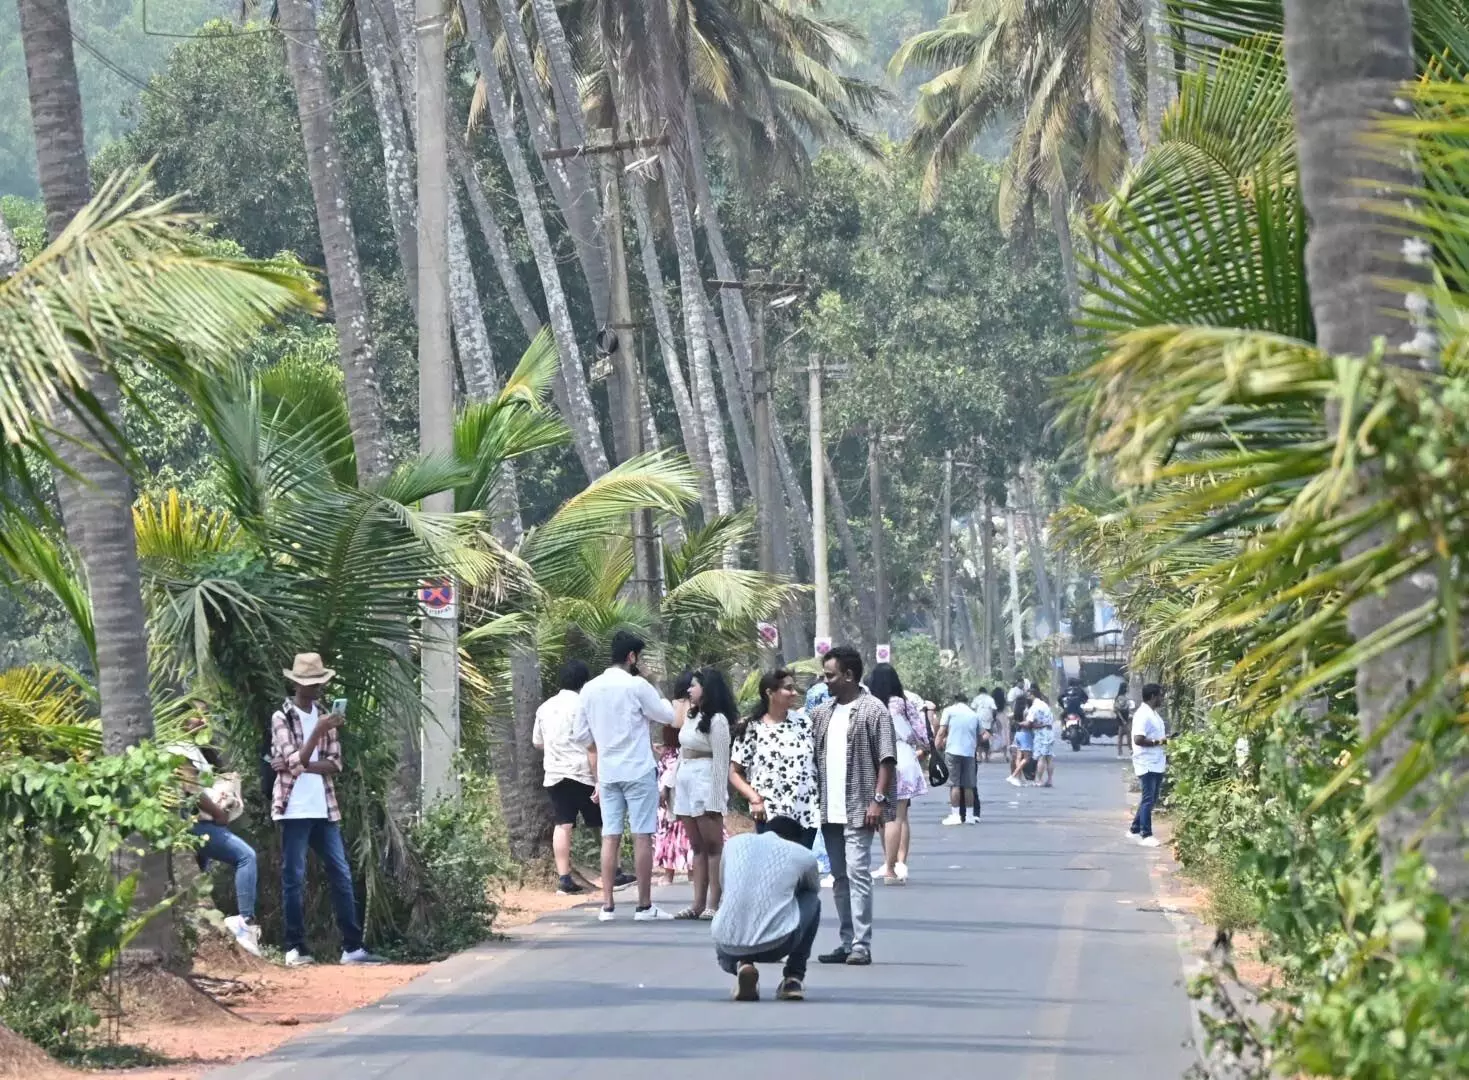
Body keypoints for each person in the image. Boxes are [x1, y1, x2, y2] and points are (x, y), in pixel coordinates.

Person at [270, 653, 382, 966]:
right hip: (293, 809)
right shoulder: (283, 716)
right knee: (294, 877)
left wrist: (300, 762)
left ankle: (352, 947)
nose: (316, 688)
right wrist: (315, 736)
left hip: (324, 807)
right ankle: (295, 948)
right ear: (295, 684)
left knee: (341, 874)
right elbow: (294, 762)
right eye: (310, 683)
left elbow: (333, 763)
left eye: (319, 682)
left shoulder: (325, 717)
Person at [573, 630, 677, 922]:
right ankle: (644, 906)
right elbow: (667, 715)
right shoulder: (637, 685)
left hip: (608, 772)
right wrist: (653, 682)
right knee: (642, 834)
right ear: (632, 657)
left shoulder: (590, 689)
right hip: (638, 769)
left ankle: (607, 906)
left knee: (610, 834)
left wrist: (603, 744)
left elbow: (580, 734)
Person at [812, 645, 896, 966]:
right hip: (828, 809)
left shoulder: (874, 711)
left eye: (830, 675)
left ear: (849, 675)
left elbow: (886, 759)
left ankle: (862, 943)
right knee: (839, 877)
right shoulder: (822, 713)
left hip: (860, 807)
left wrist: (877, 799)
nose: (825, 681)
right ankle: (846, 941)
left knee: (858, 872)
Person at [170, 707, 260, 957]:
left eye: (204, 715)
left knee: (201, 875)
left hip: (203, 823)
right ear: (181, 721)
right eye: (195, 715)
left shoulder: (196, 750)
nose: (201, 720)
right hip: (196, 823)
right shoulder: (178, 750)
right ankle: (245, 921)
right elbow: (191, 789)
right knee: (246, 857)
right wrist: (220, 813)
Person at [712, 815, 822, 1002]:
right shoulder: (803, 855)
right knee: (812, 900)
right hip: (777, 945)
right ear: (797, 840)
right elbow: (812, 889)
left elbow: (724, 885)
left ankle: (742, 965)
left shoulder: (733, 843)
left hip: (726, 946)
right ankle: (793, 978)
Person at [672, 667, 736, 920]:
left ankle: (714, 903)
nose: (689, 690)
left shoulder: (718, 720)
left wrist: (717, 798)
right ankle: (697, 903)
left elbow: (721, 761)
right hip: (686, 780)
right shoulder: (691, 715)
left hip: (705, 780)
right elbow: (681, 751)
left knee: (712, 846)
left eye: (695, 685)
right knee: (696, 846)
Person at [730, 669, 819, 848]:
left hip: (805, 812)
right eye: (788, 688)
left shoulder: (804, 723)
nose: (794, 693)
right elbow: (734, 773)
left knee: (800, 868)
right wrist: (754, 799)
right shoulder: (752, 728)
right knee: (774, 869)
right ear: (770, 693)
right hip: (770, 813)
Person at [533, 660, 600, 896]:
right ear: (584, 682)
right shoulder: (585, 705)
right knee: (601, 824)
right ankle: (614, 870)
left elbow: (537, 742)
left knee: (563, 824)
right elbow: (595, 740)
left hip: (555, 774)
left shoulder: (544, 708)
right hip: (584, 773)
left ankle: (564, 878)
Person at [868, 663, 927, 885]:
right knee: (900, 815)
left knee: (883, 814)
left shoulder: (869, 705)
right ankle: (898, 863)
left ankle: (888, 862)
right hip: (902, 756)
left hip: (875, 759)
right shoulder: (903, 704)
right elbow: (922, 735)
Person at [655, 705, 692, 885]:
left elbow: (669, 774)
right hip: (685, 801)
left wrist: (663, 791)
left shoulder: (670, 754)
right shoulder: (685, 751)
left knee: (669, 838)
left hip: (669, 803)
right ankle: (692, 873)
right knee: (689, 836)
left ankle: (669, 875)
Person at [1129, 684, 1168, 848]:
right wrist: (1158, 742)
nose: (1162, 699)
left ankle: (1135, 829)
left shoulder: (1154, 714)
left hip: (1156, 761)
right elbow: (1138, 739)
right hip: (1146, 762)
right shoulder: (1143, 715)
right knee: (1148, 799)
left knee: (1151, 799)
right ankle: (1146, 834)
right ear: (1153, 696)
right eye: (1160, 695)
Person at [937, 694, 981, 825]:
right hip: (969, 753)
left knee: (954, 784)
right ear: (966, 701)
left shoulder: (949, 711)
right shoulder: (974, 715)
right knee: (968, 785)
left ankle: (955, 815)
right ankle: (969, 816)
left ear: (955, 701)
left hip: (952, 751)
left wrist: (935, 749)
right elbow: (981, 735)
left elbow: (941, 731)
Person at [1028, 687, 1058, 787]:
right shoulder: (1045, 705)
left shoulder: (1034, 707)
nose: (1028, 697)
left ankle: (1038, 780)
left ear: (1032, 695)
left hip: (1041, 732)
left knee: (1041, 757)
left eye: (1029, 695)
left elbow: (1030, 721)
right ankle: (1049, 780)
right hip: (1049, 732)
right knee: (1049, 758)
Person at [1007, 682, 1034, 787]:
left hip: (1017, 734)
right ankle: (1014, 776)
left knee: (1018, 757)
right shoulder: (1027, 712)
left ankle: (1019, 778)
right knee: (1027, 758)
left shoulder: (1015, 713)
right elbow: (1029, 723)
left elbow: (1009, 718)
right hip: (1025, 734)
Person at [971, 687, 997, 763]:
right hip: (988, 722)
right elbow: (994, 709)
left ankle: (979, 756)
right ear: (986, 692)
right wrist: (994, 718)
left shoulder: (976, 698)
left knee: (979, 739)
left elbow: (972, 708)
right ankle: (986, 757)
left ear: (979, 692)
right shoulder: (990, 699)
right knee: (987, 739)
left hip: (978, 721)